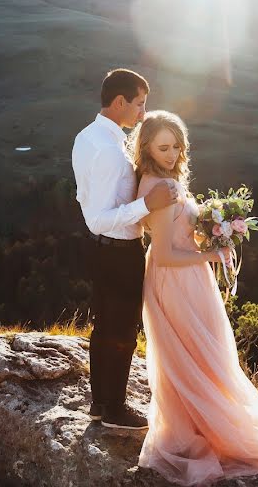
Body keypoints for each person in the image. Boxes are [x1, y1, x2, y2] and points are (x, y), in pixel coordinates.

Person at [128, 110, 258, 485]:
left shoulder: (169, 178)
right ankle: (199, 431)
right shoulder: (155, 188)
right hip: (173, 281)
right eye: (163, 147)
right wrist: (210, 254)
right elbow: (162, 255)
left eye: (177, 146)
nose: (172, 153)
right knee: (189, 357)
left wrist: (213, 233)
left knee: (206, 357)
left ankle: (209, 425)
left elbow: (181, 236)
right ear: (145, 147)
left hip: (191, 278)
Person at [71, 68, 178, 430]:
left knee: (105, 327)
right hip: (117, 251)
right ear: (119, 102)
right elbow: (100, 218)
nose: (142, 113)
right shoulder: (110, 152)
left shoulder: (87, 138)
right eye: (138, 104)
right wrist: (149, 204)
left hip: (100, 250)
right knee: (120, 332)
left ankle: (100, 404)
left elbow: (84, 197)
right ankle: (114, 409)